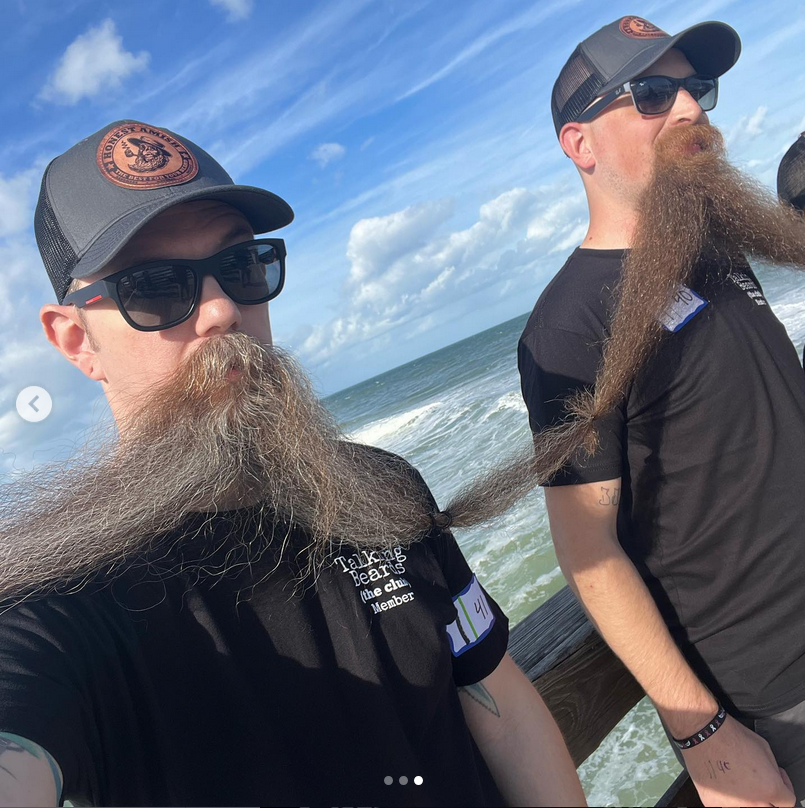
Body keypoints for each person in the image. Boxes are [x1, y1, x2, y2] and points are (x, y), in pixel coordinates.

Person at [0, 120, 585, 807]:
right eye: (154, 287)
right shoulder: (60, 598)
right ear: (76, 342)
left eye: (242, 266)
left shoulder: (377, 487)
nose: (222, 309)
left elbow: (500, 707)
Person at [514, 15, 805, 808]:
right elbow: (588, 553)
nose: (689, 109)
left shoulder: (714, 246)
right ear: (580, 145)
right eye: (650, 93)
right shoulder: (569, 325)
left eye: (696, 87)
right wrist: (706, 739)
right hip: (776, 688)